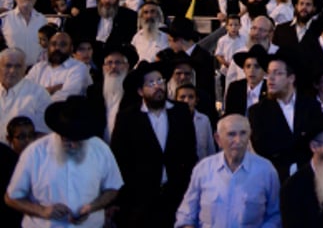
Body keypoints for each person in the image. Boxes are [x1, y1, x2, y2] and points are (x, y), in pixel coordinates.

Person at [4, 96, 122, 227]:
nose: (74, 145)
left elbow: (112, 189)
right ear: (59, 133)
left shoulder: (101, 149)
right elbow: (11, 198)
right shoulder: (35, 153)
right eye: (68, 140)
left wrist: (92, 207)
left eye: (78, 140)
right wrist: (42, 211)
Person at [111, 60, 198, 227]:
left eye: (160, 81)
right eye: (151, 83)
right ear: (140, 91)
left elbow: (189, 152)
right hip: (140, 199)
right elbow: (120, 159)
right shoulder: (127, 117)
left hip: (176, 195)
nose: (158, 86)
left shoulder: (180, 111)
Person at [175, 114, 282, 228]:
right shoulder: (203, 169)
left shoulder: (266, 170)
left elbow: (276, 215)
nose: (238, 140)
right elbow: (186, 215)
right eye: (231, 134)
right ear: (218, 139)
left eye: (243, 133)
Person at [249, 52, 321, 183]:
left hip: (308, 179)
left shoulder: (311, 106)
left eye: (277, 73)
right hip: (273, 179)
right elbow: (263, 147)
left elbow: (316, 141)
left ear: (291, 78)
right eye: (269, 73)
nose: (270, 78)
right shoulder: (258, 111)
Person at [0, 49, 50, 135]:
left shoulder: (39, 94)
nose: (12, 71)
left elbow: (43, 132)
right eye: (8, 66)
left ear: (25, 69)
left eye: (18, 66)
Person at [224, 45, 269, 117]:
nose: (252, 70)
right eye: (248, 66)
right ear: (244, 70)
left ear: (264, 71)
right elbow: (229, 115)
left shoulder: (270, 89)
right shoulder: (235, 88)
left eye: (257, 67)